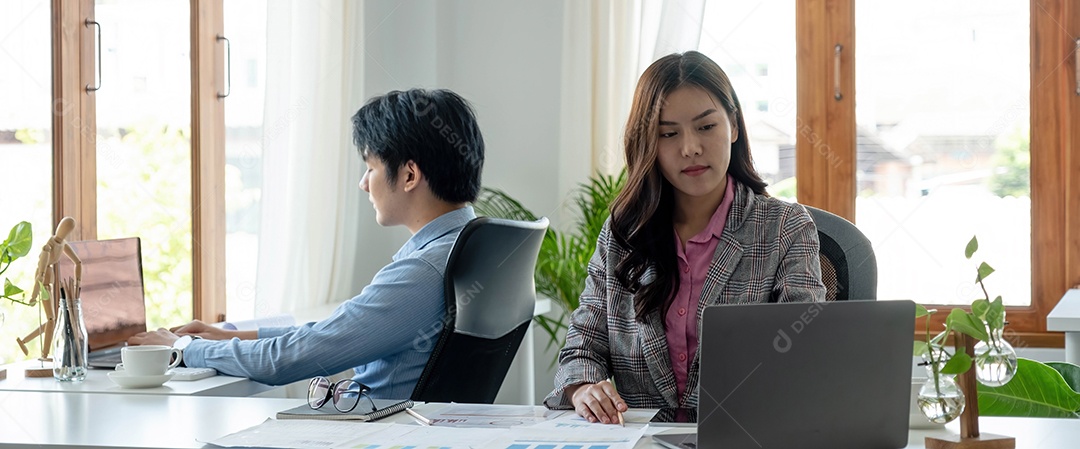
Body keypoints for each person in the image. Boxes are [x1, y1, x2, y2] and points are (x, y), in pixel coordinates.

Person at [128, 88, 485, 399]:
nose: (363, 184)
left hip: (374, 431)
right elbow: (329, 334)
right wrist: (227, 337)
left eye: (371, 168)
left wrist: (183, 348)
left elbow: (288, 360)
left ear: (409, 175)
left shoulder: (424, 271)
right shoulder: (474, 247)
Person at [544, 51, 826, 423]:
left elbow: (804, 356)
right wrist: (584, 388)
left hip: (744, 436)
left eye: (706, 127)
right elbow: (582, 346)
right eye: (668, 133)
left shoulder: (784, 227)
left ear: (734, 126)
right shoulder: (623, 232)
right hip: (641, 441)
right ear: (648, 143)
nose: (690, 147)